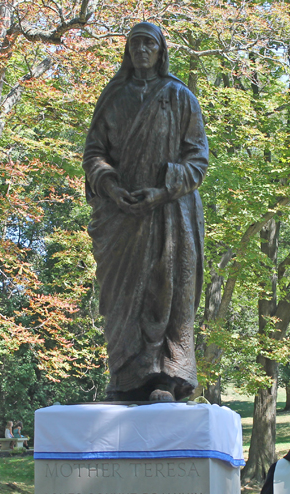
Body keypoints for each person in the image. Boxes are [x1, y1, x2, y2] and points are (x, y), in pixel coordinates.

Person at [82, 22, 208, 403]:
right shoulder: (113, 97)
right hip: (121, 216)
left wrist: (162, 190)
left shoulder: (179, 96)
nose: (141, 50)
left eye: (148, 44)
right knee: (121, 298)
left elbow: (197, 159)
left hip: (169, 214)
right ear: (127, 51)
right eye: (135, 43)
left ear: (159, 51)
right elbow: (93, 153)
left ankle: (166, 377)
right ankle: (125, 375)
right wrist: (110, 185)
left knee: (166, 290)